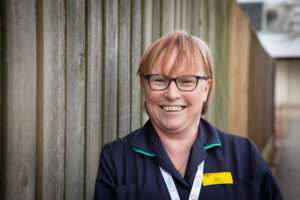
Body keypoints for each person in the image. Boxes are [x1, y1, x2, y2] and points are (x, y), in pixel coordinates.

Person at [94, 31, 283, 200]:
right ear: (144, 87)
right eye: (160, 80)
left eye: (186, 81)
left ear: (206, 89)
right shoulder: (116, 158)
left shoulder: (244, 156)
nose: (172, 93)